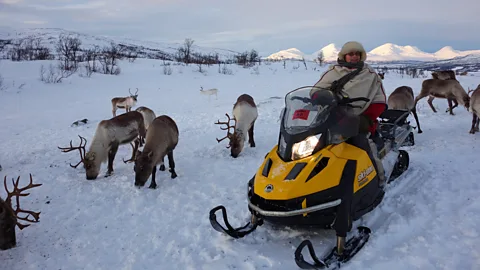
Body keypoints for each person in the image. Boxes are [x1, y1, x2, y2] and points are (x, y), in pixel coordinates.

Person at [310, 41, 387, 186]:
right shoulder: (333, 72)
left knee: (364, 147)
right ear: (344, 56)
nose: (354, 57)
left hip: (359, 120)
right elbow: (316, 91)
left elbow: (380, 101)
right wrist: (319, 99)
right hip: (332, 117)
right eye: (350, 54)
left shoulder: (370, 75)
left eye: (357, 54)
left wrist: (366, 118)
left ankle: (378, 180)